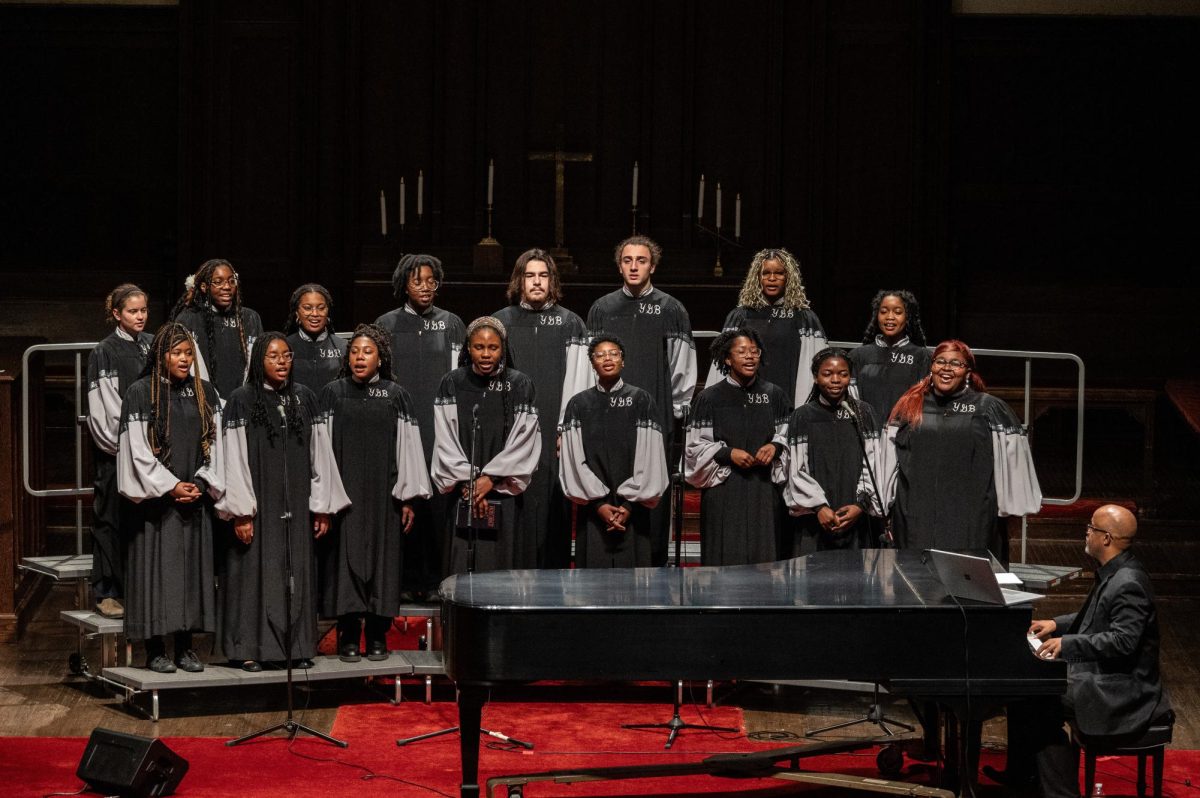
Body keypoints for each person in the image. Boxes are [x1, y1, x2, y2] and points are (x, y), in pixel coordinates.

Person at [987, 504, 1170, 797]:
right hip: (1106, 678)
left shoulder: (1129, 582)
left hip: (1124, 690)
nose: (1086, 532)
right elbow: (1096, 617)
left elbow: (1122, 641)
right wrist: (1054, 624)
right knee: (1026, 692)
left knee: (1041, 698)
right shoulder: (1117, 572)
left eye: (1091, 528)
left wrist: (1066, 644)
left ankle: (1060, 793)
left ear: (1106, 538)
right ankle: (1023, 776)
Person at [216, 333, 350, 671]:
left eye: (287, 356)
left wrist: (321, 505)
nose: (282, 362)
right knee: (252, 575)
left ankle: (299, 646)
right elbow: (233, 458)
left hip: (297, 505)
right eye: (274, 356)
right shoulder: (240, 400)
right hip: (259, 505)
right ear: (259, 359)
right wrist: (242, 512)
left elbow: (321, 454)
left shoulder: (304, 398)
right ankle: (248, 649)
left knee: (296, 572)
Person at [317, 324, 431, 662]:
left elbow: (409, 448)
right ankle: (349, 635)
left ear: (380, 358)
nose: (359, 357)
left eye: (367, 352)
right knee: (345, 565)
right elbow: (321, 448)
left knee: (383, 564)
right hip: (345, 496)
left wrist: (407, 496)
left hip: (385, 497)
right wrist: (325, 498)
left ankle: (378, 635)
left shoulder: (396, 395)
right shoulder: (332, 393)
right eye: (354, 352)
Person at [116, 322, 224, 673]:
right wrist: (170, 485)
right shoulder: (140, 392)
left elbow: (218, 445)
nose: (183, 359)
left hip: (194, 497)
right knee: (157, 576)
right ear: (160, 356)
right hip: (156, 505)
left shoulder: (205, 391)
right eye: (176, 353)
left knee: (190, 575)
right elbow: (136, 450)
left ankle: (185, 647)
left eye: (188, 353)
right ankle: (155, 649)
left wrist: (202, 481)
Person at [587, 236, 696, 566]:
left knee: (651, 490)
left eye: (642, 260)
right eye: (628, 260)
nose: (634, 266)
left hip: (655, 413)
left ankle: (652, 562)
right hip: (606, 412)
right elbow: (590, 360)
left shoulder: (671, 308)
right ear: (619, 265)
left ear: (653, 265)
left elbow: (683, 364)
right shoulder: (602, 308)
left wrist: (676, 411)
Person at [883, 339, 1042, 557]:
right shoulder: (910, 406)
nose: (946, 368)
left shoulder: (988, 408)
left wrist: (1011, 512)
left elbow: (1013, 462)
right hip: (916, 515)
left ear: (967, 371)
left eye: (956, 363)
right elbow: (889, 459)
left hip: (971, 517)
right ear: (932, 367)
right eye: (940, 361)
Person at [374, 254, 466, 596]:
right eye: (417, 281)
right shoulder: (386, 323)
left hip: (439, 423)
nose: (425, 287)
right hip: (400, 422)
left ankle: (435, 581)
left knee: (439, 503)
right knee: (406, 499)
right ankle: (404, 579)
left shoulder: (453, 323)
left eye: (431, 281)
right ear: (404, 284)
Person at [493, 248, 591, 568]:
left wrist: (566, 428)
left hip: (554, 428)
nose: (537, 282)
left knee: (552, 501)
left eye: (543, 275)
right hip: (510, 429)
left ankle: (552, 579)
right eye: (530, 276)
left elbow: (580, 382)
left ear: (553, 280)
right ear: (519, 280)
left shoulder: (571, 323)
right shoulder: (500, 322)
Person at [431, 317, 541, 574]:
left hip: (504, 490)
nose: (486, 354)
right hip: (463, 491)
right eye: (479, 347)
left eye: (493, 347)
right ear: (468, 348)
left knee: (500, 568)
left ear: (503, 348)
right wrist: (469, 482)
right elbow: (445, 437)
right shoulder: (452, 382)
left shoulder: (520, 384)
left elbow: (525, 439)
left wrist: (489, 479)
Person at [559, 335, 669, 568]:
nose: (607, 359)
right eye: (600, 355)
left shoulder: (641, 400)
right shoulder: (578, 404)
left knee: (635, 586)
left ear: (623, 360)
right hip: (593, 511)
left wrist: (628, 507)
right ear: (592, 363)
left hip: (634, 511)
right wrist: (598, 506)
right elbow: (572, 459)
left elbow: (651, 458)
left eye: (614, 353)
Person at [686, 329, 790, 565]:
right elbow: (694, 447)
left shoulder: (774, 395)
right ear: (727, 359)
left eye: (754, 352)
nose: (750, 357)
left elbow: (788, 436)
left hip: (763, 489)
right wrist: (727, 452)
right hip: (724, 488)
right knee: (724, 556)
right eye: (742, 352)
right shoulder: (709, 398)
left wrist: (775, 446)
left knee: (764, 557)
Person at [86, 283, 152, 618]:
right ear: (116, 313)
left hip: (147, 451)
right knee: (109, 517)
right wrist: (126, 444)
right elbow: (105, 407)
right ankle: (106, 590)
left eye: (143, 311)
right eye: (132, 311)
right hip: (117, 450)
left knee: (137, 520)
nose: (139, 317)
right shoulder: (105, 351)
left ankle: (137, 587)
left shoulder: (151, 345)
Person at [780, 348, 884, 554]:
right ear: (816, 378)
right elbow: (796, 470)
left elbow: (874, 462)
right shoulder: (803, 416)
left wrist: (860, 505)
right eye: (827, 374)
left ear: (850, 377)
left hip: (855, 515)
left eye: (842, 374)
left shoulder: (863, 413)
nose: (835, 380)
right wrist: (819, 507)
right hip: (814, 519)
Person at [707, 248, 826, 406]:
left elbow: (818, 367)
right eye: (766, 273)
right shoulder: (741, 316)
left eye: (779, 273)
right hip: (744, 405)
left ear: (789, 277)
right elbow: (721, 365)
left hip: (788, 404)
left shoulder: (804, 318)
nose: (772, 278)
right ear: (757, 278)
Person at [171, 259, 264, 401]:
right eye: (218, 281)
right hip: (202, 401)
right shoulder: (188, 319)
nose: (227, 286)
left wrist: (245, 395)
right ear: (204, 286)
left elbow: (257, 362)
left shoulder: (250, 317)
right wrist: (210, 397)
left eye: (231, 281)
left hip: (244, 400)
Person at [848, 290, 931, 421]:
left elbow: (925, 402)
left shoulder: (922, 356)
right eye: (883, 311)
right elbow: (852, 401)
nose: (889, 317)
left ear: (908, 316)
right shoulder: (858, 356)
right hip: (867, 433)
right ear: (877, 315)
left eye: (898, 312)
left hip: (904, 434)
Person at [284, 283, 346, 395]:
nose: (315, 313)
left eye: (321, 308)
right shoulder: (285, 346)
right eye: (307, 308)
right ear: (297, 312)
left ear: (328, 311)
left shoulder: (343, 347)